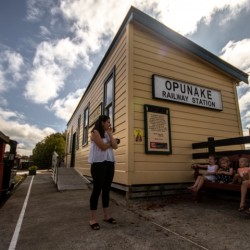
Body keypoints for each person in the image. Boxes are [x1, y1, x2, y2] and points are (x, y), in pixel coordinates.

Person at [88, 115, 119, 230]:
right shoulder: (95, 132)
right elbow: (102, 146)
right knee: (97, 190)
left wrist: (110, 135)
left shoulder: (108, 133)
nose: (109, 124)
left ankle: (106, 216)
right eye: (107, 122)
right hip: (98, 164)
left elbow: (115, 146)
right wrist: (111, 143)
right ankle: (93, 219)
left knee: (106, 189)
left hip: (110, 163)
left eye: (110, 122)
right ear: (102, 122)